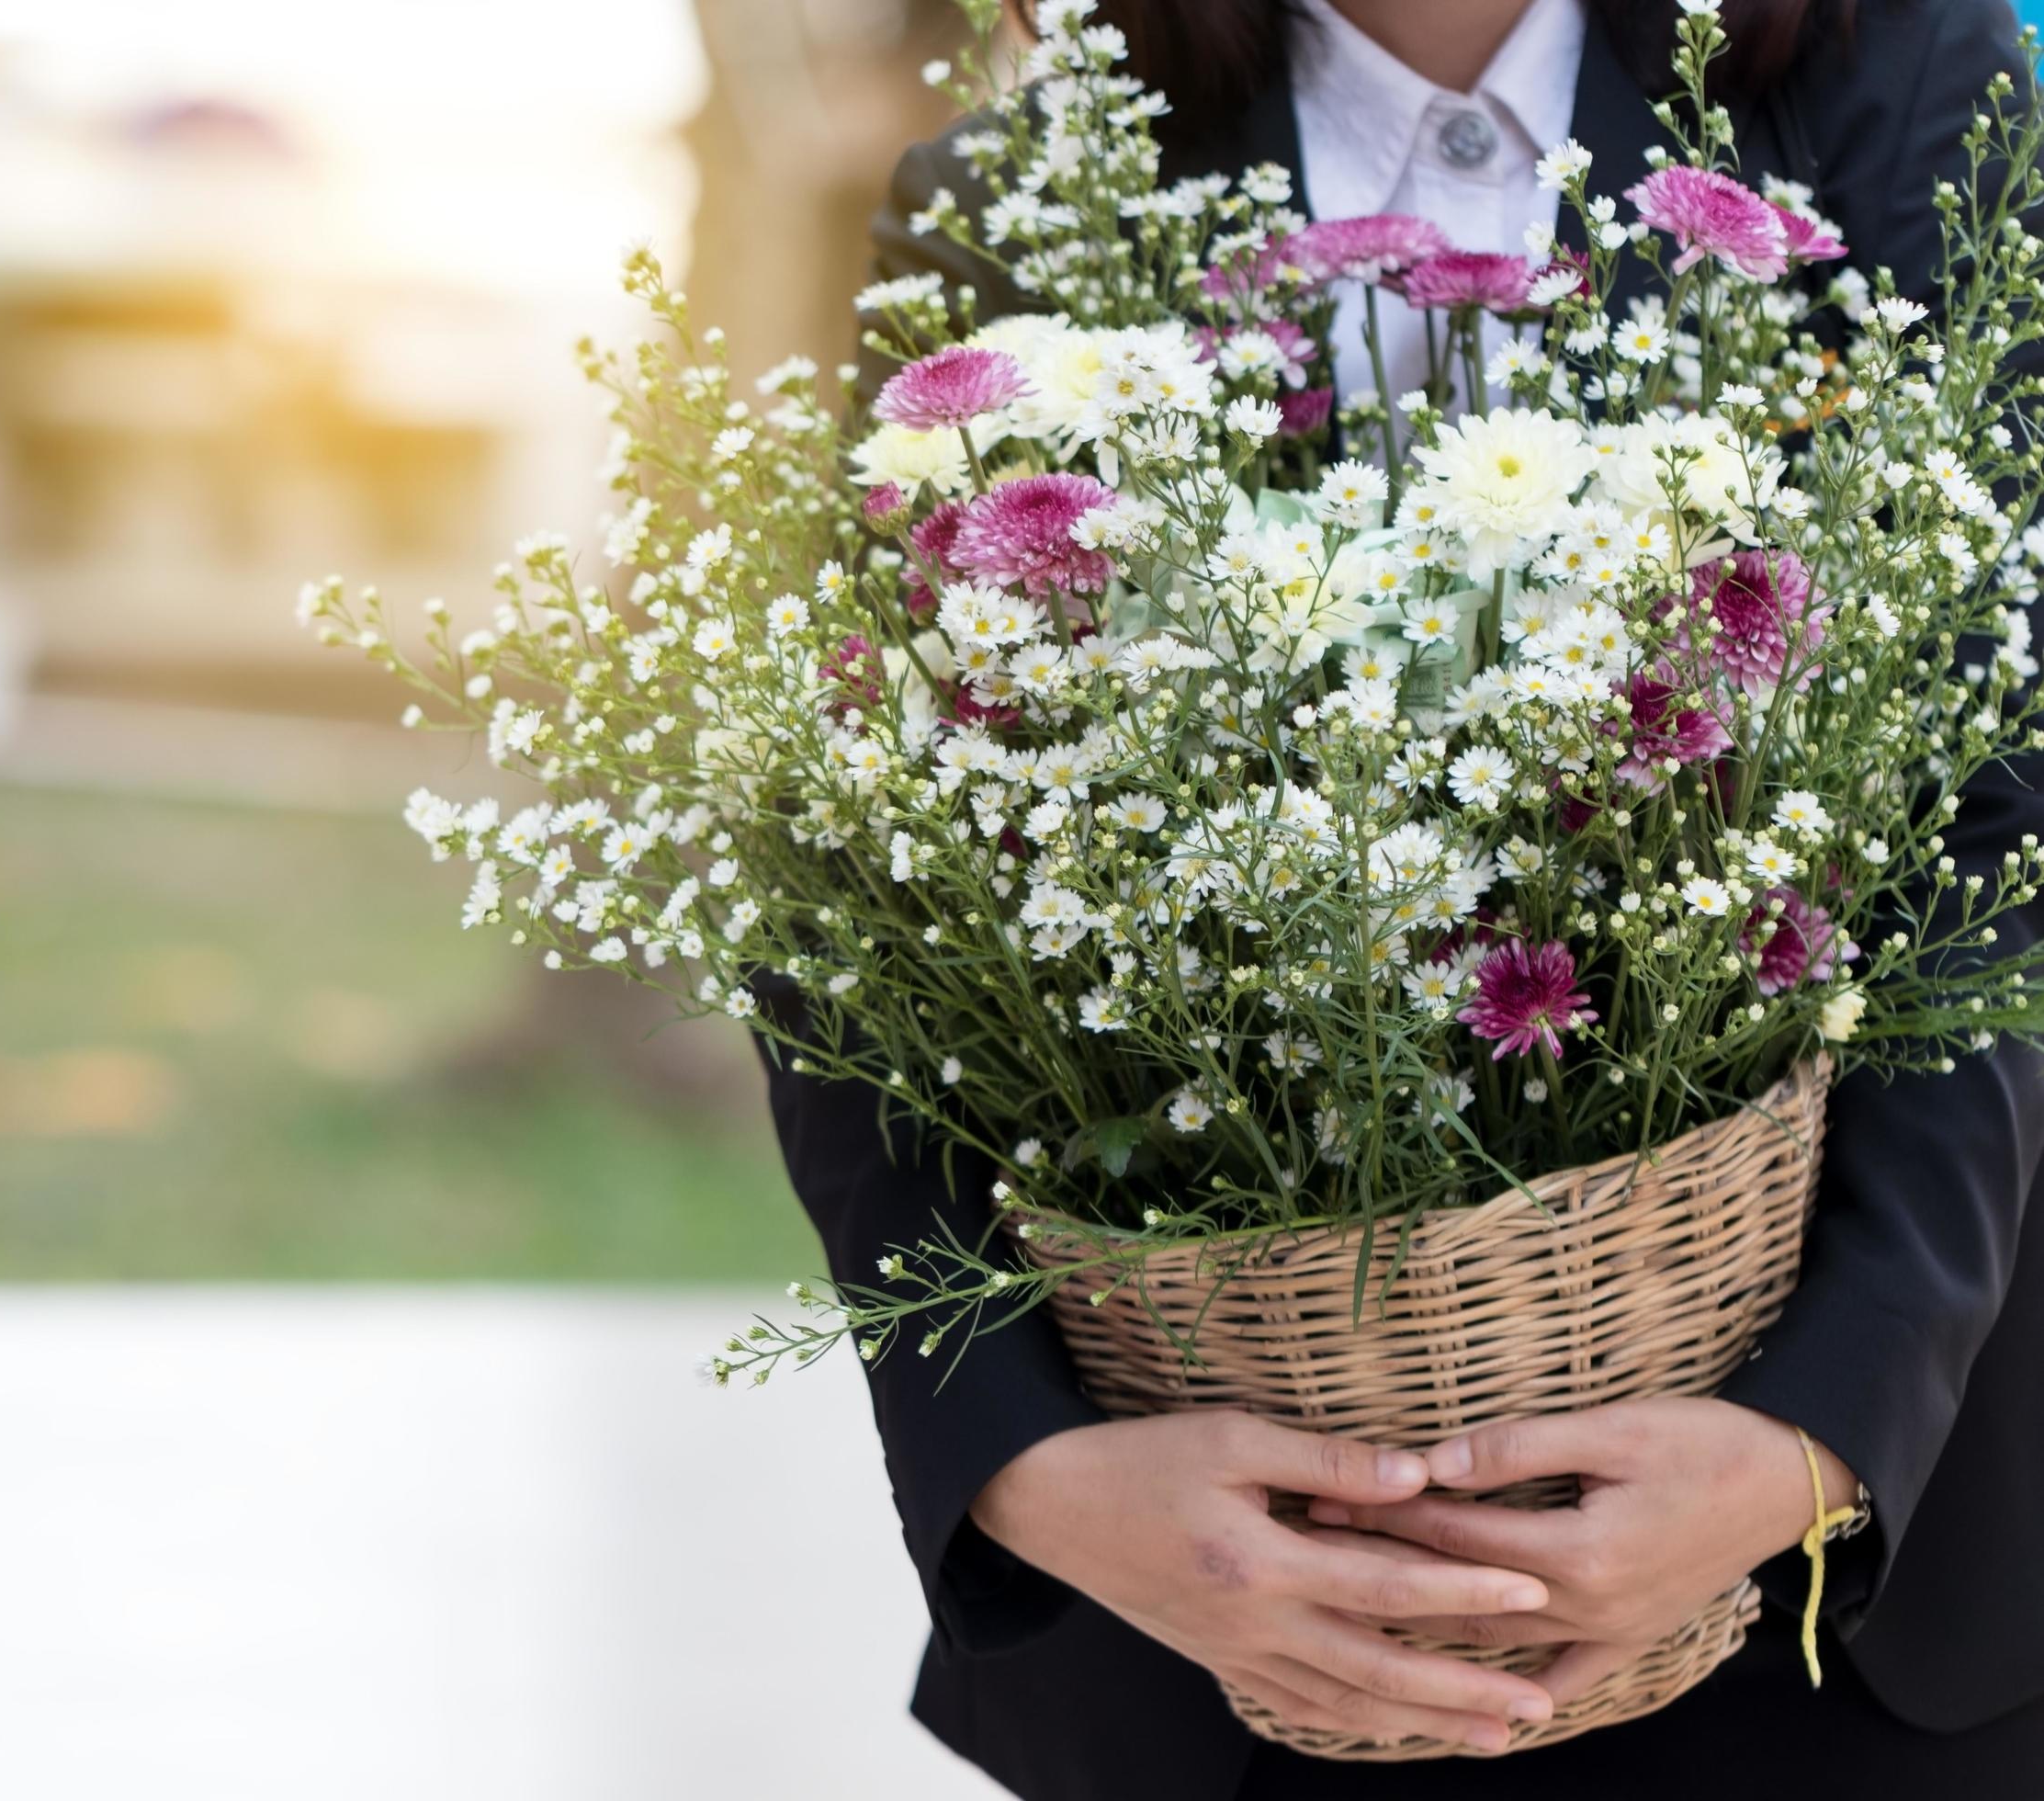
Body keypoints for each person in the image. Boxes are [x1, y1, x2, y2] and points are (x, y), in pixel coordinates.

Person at [759, 1, 2044, 1794]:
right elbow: (859, 866)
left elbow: (2004, 800)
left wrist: (1815, 1427)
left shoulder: (1904, 78)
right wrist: (1028, 1464)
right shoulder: (1016, 195)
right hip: (1228, 1630)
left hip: (1832, 1619)